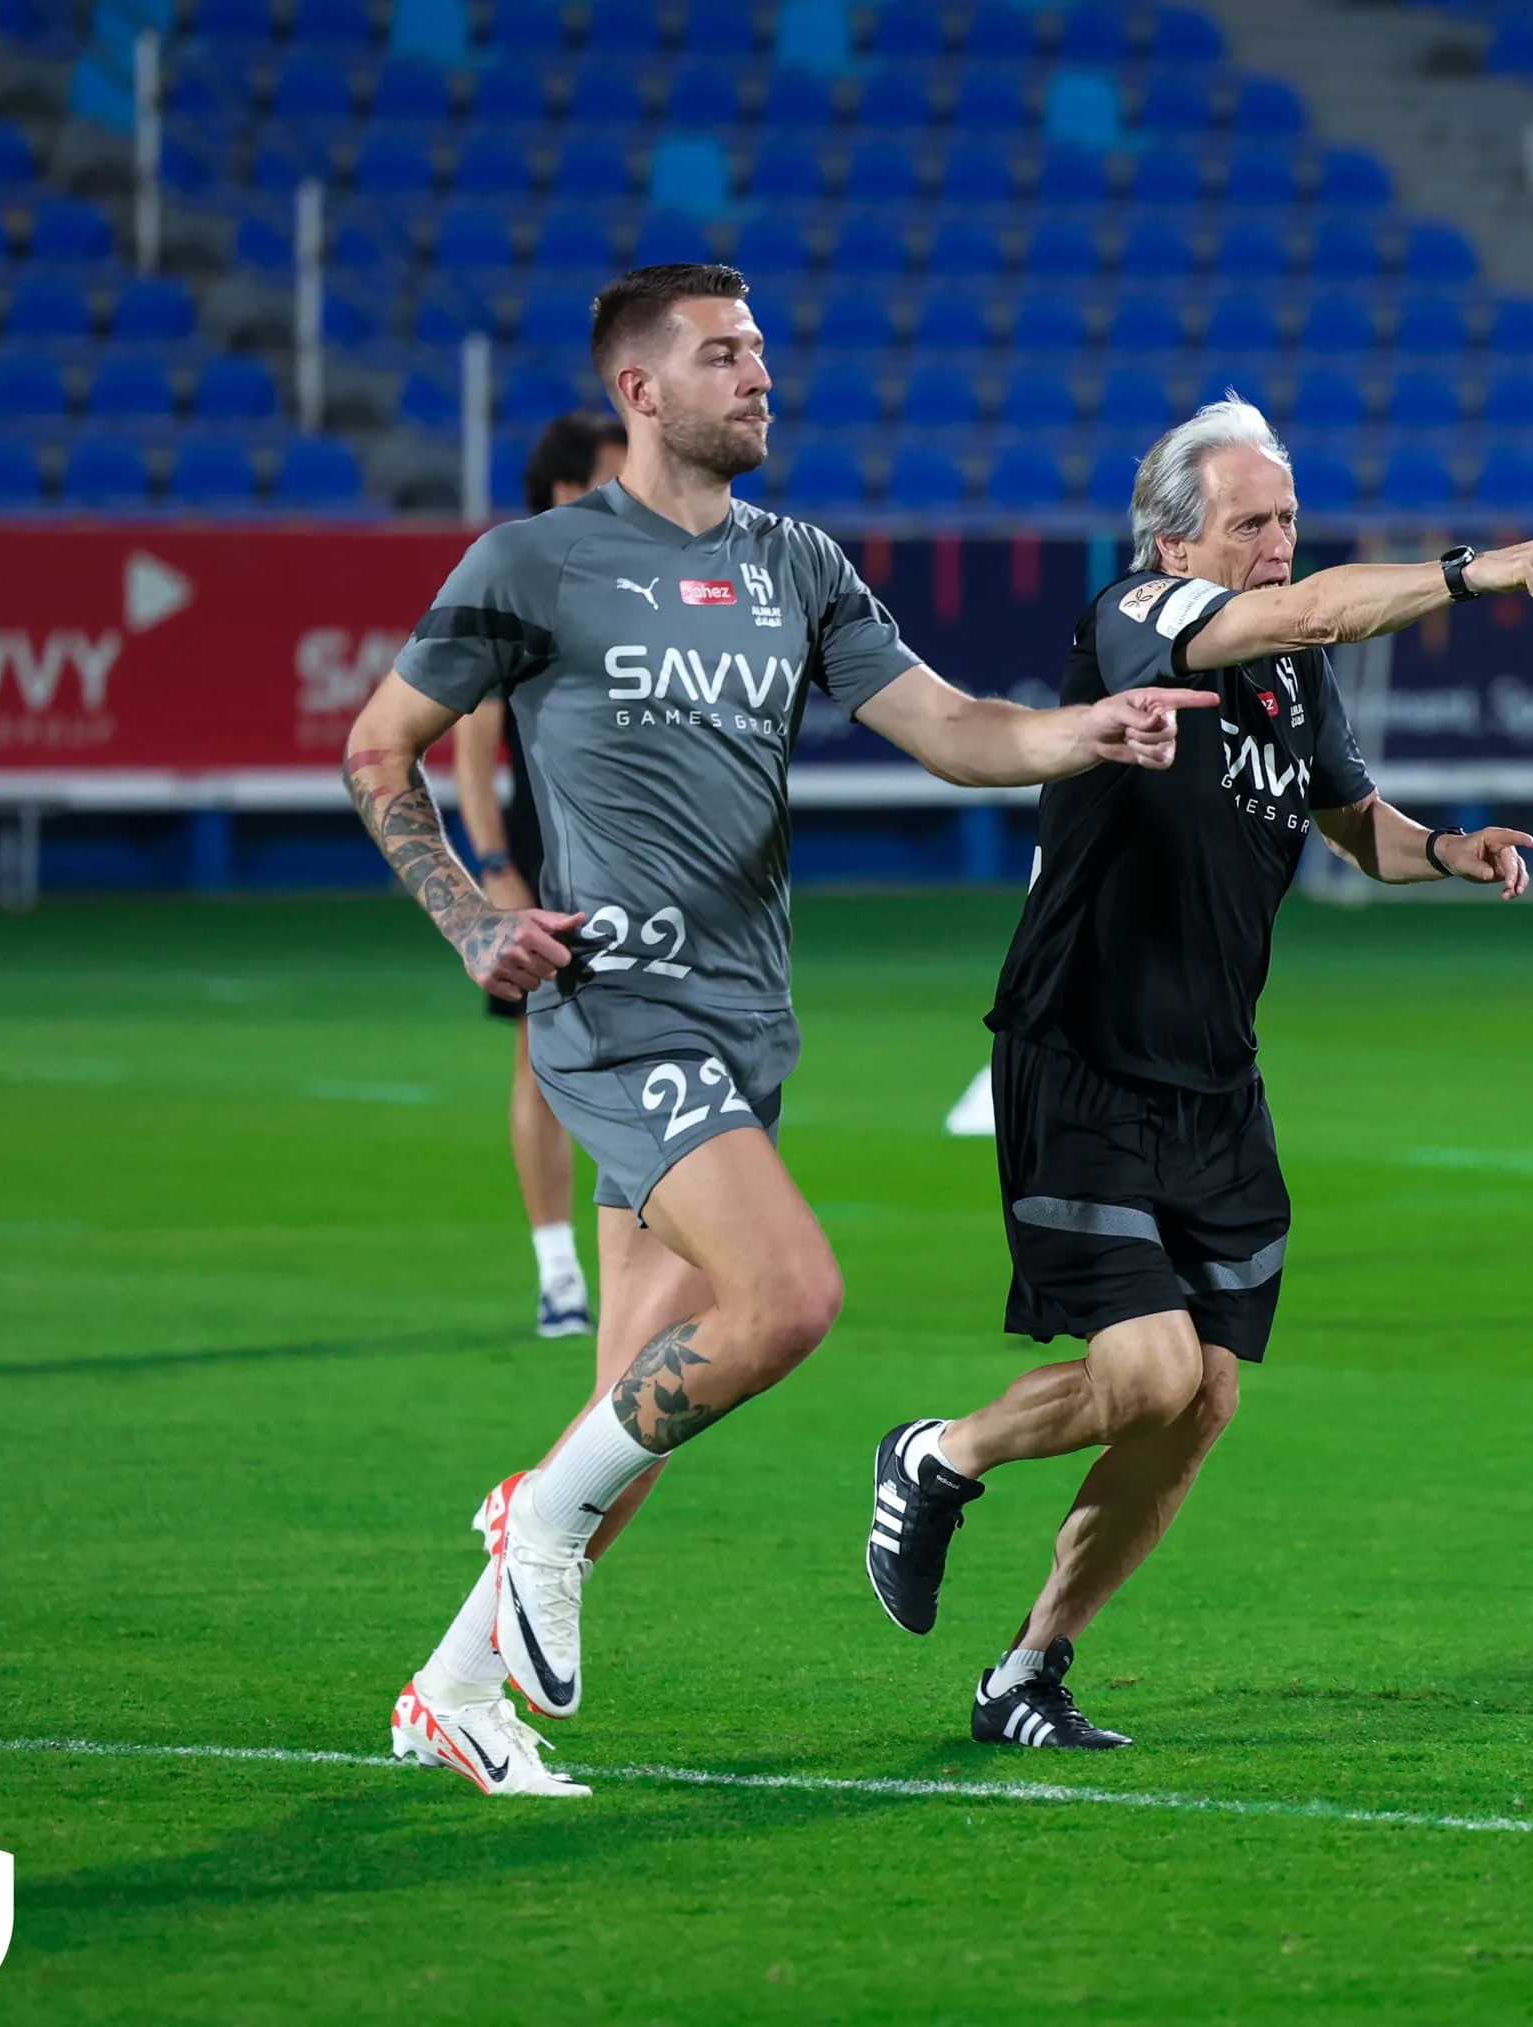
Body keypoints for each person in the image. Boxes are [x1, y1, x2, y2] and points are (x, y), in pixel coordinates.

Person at [345, 262, 1215, 1798]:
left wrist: (1082, 732)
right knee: (792, 1297)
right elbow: (380, 748)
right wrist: (476, 916)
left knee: (640, 1397)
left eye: (762, 351)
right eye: (723, 354)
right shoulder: (533, 563)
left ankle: (454, 1687)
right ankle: (530, 1521)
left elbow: (950, 723)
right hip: (617, 1006)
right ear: (639, 390)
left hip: (748, 1019)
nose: (758, 376)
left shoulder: (795, 565)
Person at [864, 399, 1533, 1750]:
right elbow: (1309, 614)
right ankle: (940, 1453)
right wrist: (1466, 571)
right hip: (1079, 1053)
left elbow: (1350, 824)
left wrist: (1445, 848)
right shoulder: (1135, 615)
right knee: (1145, 1374)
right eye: (1254, 521)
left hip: (1214, 1081)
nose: (1280, 544)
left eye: (1290, 522)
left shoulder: (1289, 675)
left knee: (1202, 1396)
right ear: (1173, 536)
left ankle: (1029, 1666)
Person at [450, 411, 627, 1339]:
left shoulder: (644, 575)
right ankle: (559, 1271)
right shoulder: (516, 585)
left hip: (637, 864)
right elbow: (470, 750)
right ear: (564, 489)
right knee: (543, 1060)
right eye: (609, 471)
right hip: (544, 860)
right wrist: (492, 872)